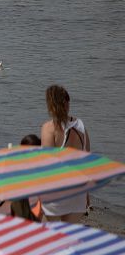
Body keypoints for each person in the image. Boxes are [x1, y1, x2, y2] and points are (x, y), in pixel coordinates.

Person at [39, 85, 90, 222]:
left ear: (51, 104)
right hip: (78, 190)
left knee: (54, 237)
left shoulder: (48, 128)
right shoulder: (81, 126)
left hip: (57, 189)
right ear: (68, 102)